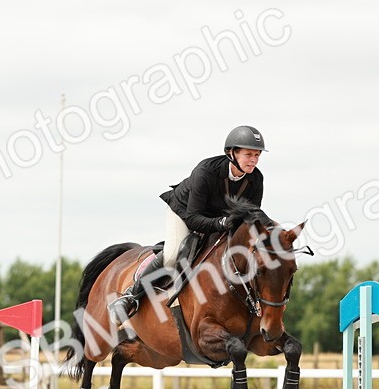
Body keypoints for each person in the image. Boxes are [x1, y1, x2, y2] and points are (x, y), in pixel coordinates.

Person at [109, 125, 267, 326]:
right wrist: (221, 223)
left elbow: (250, 216)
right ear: (232, 153)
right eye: (248, 154)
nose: (254, 160)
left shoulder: (256, 179)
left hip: (220, 220)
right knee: (173, 255)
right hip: (185, 213)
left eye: (257, 155)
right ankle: (131, 296)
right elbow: (193, 218)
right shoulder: (206, 171)